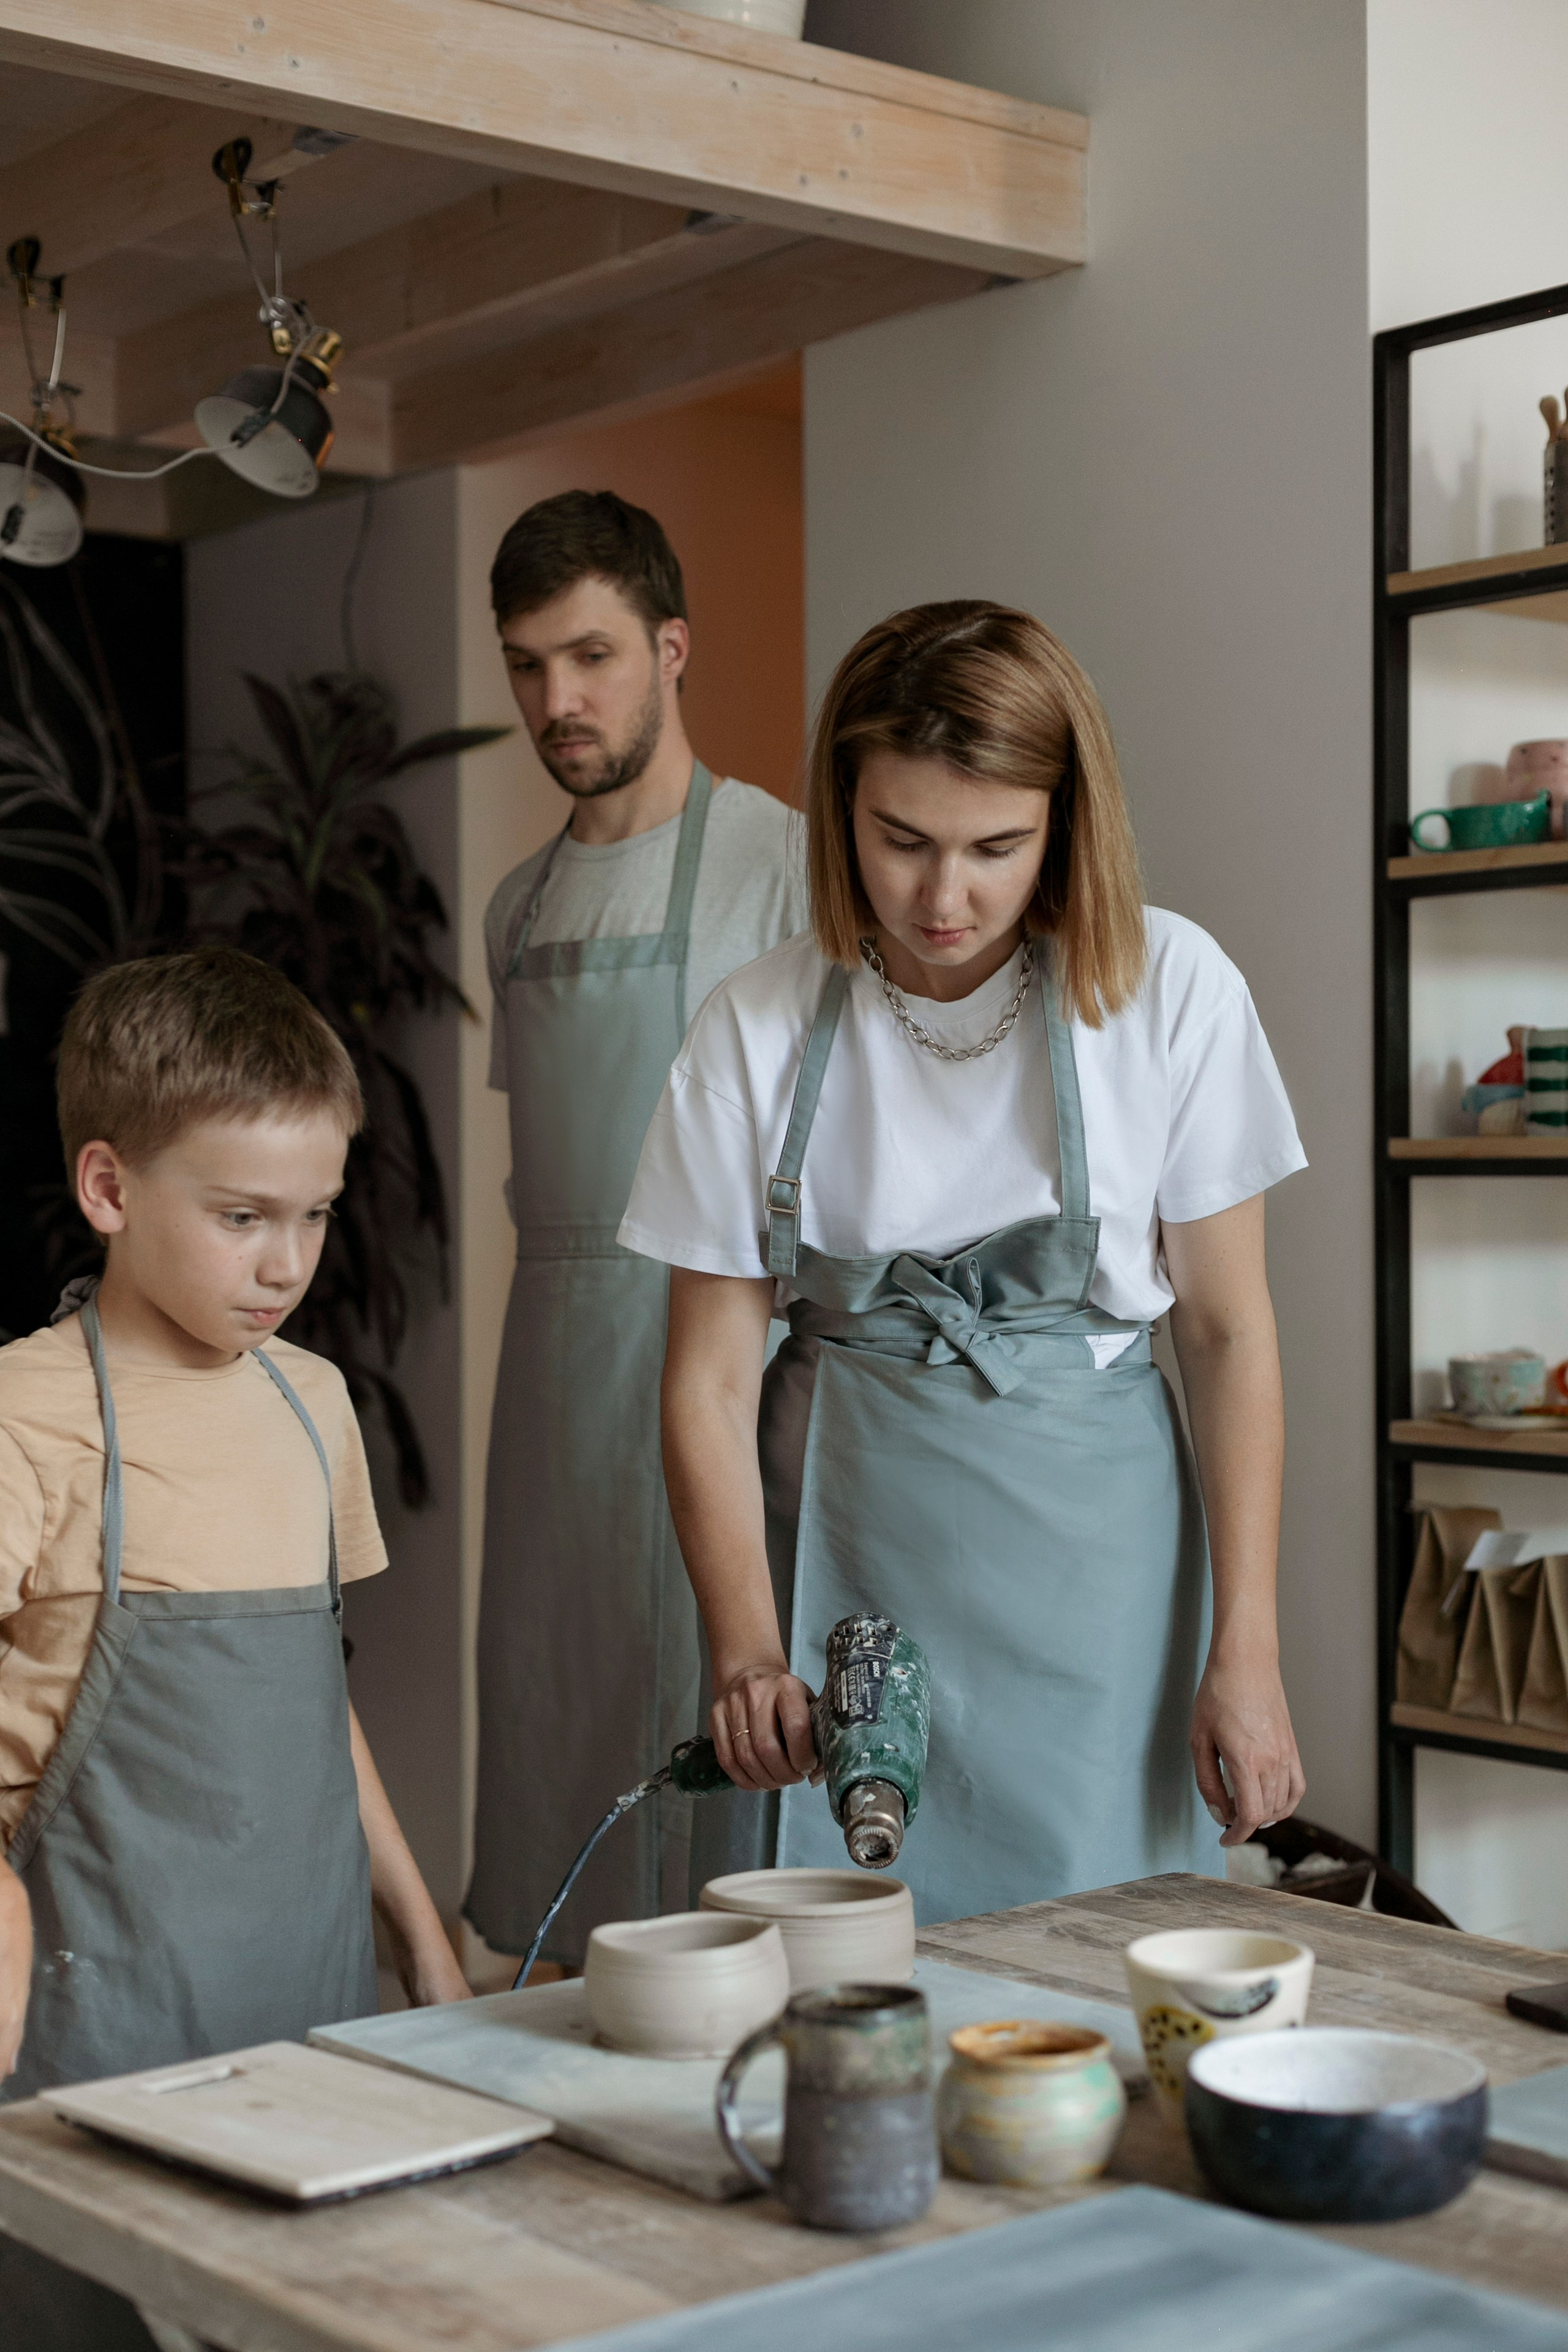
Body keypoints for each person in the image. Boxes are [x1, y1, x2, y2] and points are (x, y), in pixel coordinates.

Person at [619, 601, 1309, 1924]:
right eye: (900, 842)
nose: (945, 897)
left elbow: (1227, 1336)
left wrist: (1249, 1650)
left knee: (1101, 1952)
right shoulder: (754, 1025)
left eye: (996, 846)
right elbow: (705, 1381)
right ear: (842, 815)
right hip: (841, 1539)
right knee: (847, 1967)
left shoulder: (1171, 988)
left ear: (1066, 823)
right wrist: (745, 1645)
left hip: (1093, 1573)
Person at [0, 946, 469, 2351]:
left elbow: (311, 1702)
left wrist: (426, 1951)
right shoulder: (28, 1412)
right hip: (93, 2010)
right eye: (242, 1216)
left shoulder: (311, 1404)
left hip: (307, 1999)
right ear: (110, 1189)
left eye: (315, 1216)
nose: (286, 1264)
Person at [466, 489, 810, 1964]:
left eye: (592, 656)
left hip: (719, 1344)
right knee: (557, 1709)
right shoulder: (513, 903)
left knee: (707, 1725)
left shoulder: (781, 866)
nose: (559, 699)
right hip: (547, 1372)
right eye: (529, 664)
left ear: (672, 648)